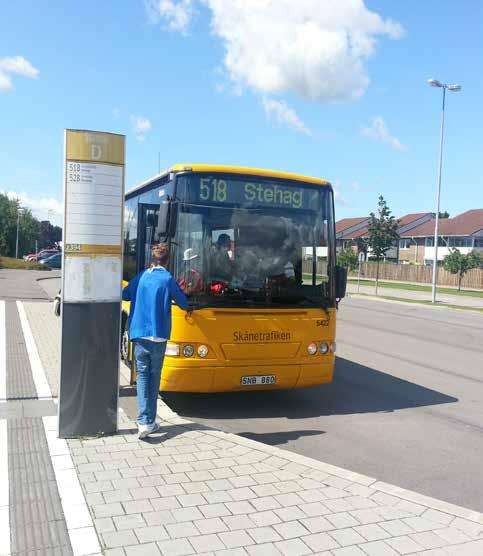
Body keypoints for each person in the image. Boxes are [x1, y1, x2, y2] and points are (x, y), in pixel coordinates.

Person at [122, 243, 188, 439]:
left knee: (142, 377)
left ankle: (144, 422)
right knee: (154, 377)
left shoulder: (141, 276)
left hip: (139, 334)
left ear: (152, 259)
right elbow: (184, 303)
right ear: (167, 261)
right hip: (158, 335)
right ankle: (148, 421)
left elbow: (125, 294)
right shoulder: (167, 279)